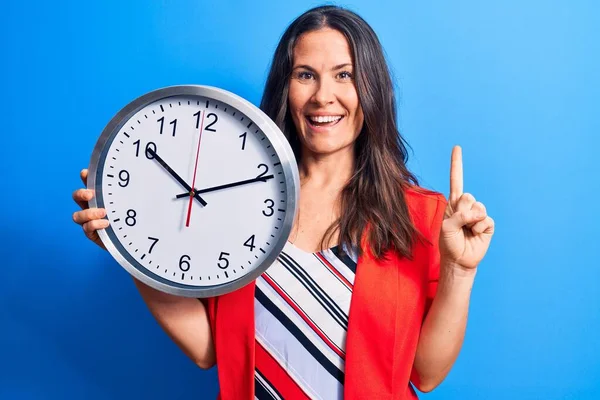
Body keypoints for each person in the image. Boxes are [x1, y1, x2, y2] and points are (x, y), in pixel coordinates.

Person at [72, 5, 494, 399]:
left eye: (344, 75)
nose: (323, 96)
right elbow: (207, 350)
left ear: (372, 88)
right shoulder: (230, 204)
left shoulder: (423, 215)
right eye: (305, 75)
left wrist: (459, 269)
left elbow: (427, 373)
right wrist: (131, 252)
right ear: (285, 88)